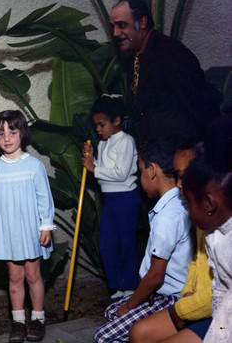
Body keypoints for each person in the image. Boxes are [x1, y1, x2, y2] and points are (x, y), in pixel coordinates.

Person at [93, 138, 193, 343]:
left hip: (169, 298)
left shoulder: (166, 216)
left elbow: (155, 276)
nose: (140, 179)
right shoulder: (178, 203)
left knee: (103, 336)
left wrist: (130, 306)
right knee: (113, 311)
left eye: (140, 171)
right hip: (165, 292)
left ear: (152, 170)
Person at [0, 110, 55, 343]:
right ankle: (18, 322)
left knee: (32, 275)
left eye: (12, 131)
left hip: (30, 230)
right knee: (15, 276)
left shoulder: (34, 166)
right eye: (1, 133)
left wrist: (46, 226)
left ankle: (37, 319)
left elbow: (44, 198)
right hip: (8, 232)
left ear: (22, 134)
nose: (6, 137)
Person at [129, 140, 213, 343]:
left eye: (182, 176)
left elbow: (219, 293)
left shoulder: (172, 216)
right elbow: (197, 260)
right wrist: (188, 292)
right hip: (192, 301)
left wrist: (181, 310)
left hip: (215, 310)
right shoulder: (198, 214)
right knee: (137, 332)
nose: (178, 184)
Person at [109, 0, 221, 143]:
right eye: (113, 26)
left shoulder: (172, 53)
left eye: (121, 25)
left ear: (142, 22)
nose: (115, 33)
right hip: (153, 157)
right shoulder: (135, 59)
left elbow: (200, 108)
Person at [82, 95, 141, 300]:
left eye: (102, 124)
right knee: (107, 243)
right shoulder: (104, 143)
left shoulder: (126, 141)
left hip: (126, 198)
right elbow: (102, 168)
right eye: (96, 125)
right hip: (110, 199)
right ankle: (116, 287)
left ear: (116, 121)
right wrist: (92, 158)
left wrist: (94, 167)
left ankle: (130, 286)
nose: (98, 129)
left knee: (126, 243)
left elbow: (121, 173)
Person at [182, 114, 232, 343]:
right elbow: (220, 295)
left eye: (187, 202)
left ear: (208, 203)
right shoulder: (214, 236)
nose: (187, 213)